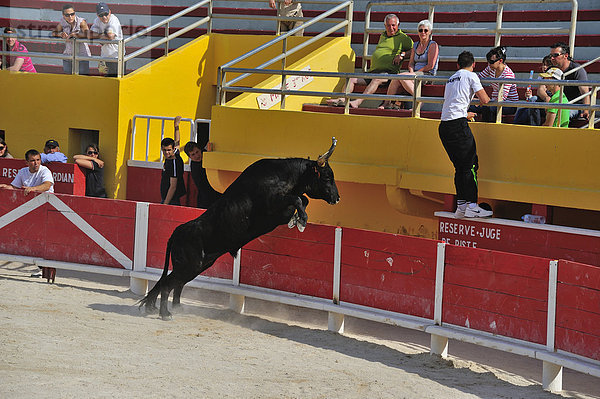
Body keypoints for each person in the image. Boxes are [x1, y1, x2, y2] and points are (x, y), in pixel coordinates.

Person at [439, 51, 492, 219]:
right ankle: (472, 205)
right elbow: (484, 100)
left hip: (444, 125)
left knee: (459, 167)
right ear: (473, 65)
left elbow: (453, 102)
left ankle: (461, 206)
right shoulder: (471, 76)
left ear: (457, 65)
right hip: (457, 125)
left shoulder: (451, 78)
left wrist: (465, 113)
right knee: (470, 165)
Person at [326, 14, 413, 109]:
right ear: (385, 25)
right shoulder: (383, 36)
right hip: (374, 71)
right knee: (351, 79)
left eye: (393, 25)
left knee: (376, 79)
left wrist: (402, 55)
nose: (391, 28)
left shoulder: (403, 38)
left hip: (389, 73)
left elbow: (414, 50)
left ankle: (357, 102)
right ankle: (341, 99)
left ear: (398, 25)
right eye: (388, 25)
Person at [379, 19, 439, 110]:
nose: (423, 32)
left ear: (430, 32)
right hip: (415, 73)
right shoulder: (415, 45)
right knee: (397, 78)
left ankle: (420, 101)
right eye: (420, 30)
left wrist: (414, 73)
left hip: (427, 74)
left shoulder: (433, 45)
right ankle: (387, 102)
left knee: (403, 77)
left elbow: (430, 66)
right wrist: (411, 72)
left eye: (425, 30)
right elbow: (411, 63)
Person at [468, 46, 518, 122]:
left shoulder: (508, 74)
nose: (488, 64)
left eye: (491, 62)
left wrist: (484, 100)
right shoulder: (491, 68)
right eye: (488, 61)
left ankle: (486, 130)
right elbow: (477, 79)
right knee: (468, 105)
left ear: (500, 61)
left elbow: (502, 97)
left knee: (488, 108)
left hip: (509, 104)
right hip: (494, 101)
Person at [549, 41, 590, 121]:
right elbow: (542, 89)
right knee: (527, 108)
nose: (552, 58)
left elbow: (585, 92)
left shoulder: (577, 70)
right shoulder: (552, 69)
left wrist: (586, 110)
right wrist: (546, 98)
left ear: (566, 56)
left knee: (561, 114)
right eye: (551, 55)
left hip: (573, 106)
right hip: (555, 102)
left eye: (556, 55)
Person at [513, 55, 553, 126]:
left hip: (551, 103)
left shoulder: (555, 76)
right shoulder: (541, 76)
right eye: (543, 65)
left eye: (547, 65)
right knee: (521, 111)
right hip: (543, 102)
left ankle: (534, 126)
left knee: (533, 100)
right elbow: (540, 90)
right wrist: (530, 96)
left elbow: (542, 90)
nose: (544, 67)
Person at [52, 4, 91, 75]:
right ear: (63, 15)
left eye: (72, 14)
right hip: (68, 55)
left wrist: (75, 35)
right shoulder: (63, 22)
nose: (70, 17)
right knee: (69, 80)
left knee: (83, 80)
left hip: (82, 56)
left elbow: (88, 34)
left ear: (75, 13)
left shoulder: (81, 21)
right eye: (67, 15)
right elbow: (54, 33)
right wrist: (60, 34)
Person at [88, 2, 123, 77]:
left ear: (110, 12)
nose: (104, 17)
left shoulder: (114, 19)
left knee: (115, 82)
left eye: (106, 14)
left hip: (116, 57)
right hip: (105, 56)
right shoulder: (97, 20)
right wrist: (104, 36)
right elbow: (90, 34)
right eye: (101, 15)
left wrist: (98, 36)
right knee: (107, 83)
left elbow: (110, 36)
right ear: (97, 15)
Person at [183, 140, 221, 209]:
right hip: (205, 196)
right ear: (189, 157)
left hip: (218, 191)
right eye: (193, 154)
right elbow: (202, 186)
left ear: (200, 150)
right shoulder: (195, 166)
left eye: (197, 152)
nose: (197, 156)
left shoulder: (207, 155)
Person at [160, 116, 187, 205]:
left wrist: (165, 204)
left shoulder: (174, 163)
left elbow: (173, 186)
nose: (166, 153)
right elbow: (177, 141)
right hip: (166, 198)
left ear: (172, 149)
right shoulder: (175, 153)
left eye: (168, 150)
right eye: (164, 150)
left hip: (171, 200)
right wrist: (176, 126)